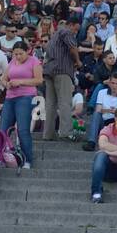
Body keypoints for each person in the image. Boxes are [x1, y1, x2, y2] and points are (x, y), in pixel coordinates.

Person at [0, 38, 43, 167]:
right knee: (3, 129)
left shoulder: (34, 61)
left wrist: (20, 82)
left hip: (26, 97)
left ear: (27, 51)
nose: (17, 56)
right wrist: (6, 83)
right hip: (10, 97)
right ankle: (1, 157)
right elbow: (3, 78)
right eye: (15, 54)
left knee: (23, 129)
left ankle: (27, 159)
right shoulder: (12, 61)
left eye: (20, 54)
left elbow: (39, 80)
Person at [42, 11, 83, 141]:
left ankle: (48, 134)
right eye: (75, 29)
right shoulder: (66, 32)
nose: (75, 32)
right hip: (62, 70)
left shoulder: (54, 36)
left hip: (49, 71)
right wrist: (77, 61)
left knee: (50, 104)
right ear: (70, 25)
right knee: (65, 102)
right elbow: (72, 47)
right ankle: (66, 132)